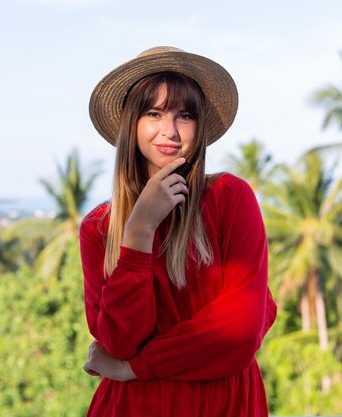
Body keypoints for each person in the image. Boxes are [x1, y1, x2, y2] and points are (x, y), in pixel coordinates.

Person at [80, 46, 277, 417]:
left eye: (184, 115)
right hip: (131, 406)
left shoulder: (229, 198)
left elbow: (240, 332)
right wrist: (138, 233)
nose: (169, 130)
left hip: (223, 404)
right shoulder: (99, 228)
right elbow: (119, 341)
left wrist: (134, 368)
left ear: (199, 127)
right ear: (131, 123)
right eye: (153, 113)